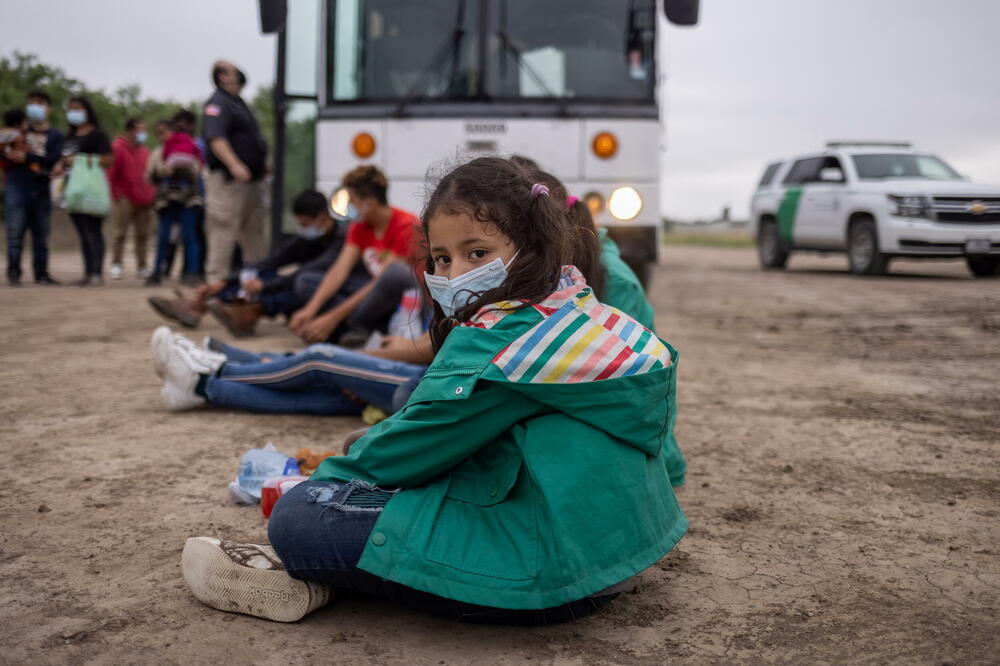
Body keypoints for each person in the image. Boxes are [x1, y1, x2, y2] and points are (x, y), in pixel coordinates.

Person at [180, 156, 686, 625]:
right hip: (616, 548)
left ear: (530, 246)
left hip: (556, 572)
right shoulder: (569, 301)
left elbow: (398, 454)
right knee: (383, 432)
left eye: (477, 253)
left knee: (300, 519)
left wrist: (321, 486)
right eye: (441, 258)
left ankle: (317, 576)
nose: (454, 274)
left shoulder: (500, 338)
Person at [147, 189, 370, 334]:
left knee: (297, 282)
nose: (303, 229)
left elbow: (312, 271)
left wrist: (265, 286)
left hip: (325, 294)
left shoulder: (343, 239)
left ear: (322, 218)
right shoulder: (307, 238)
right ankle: (207, 303)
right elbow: (271, 261)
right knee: (259, 275)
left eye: (305, 224)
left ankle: (247, 311)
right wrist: (225, 281)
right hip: (306, 287)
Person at [289, 166, 421, 345]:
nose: (348, 207)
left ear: (370, 204)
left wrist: (331, 318)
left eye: (352, 201)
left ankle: (351, 326)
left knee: (393, 274)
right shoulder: (359, 226)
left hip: (402, 299)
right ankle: (358, 329)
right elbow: (339, 270)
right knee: (307, 281)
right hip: (370, 295)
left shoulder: (406, 225)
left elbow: (382, 282)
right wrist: (310, 310)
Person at [202, 60, 268, 282]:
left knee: (254, 231)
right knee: (224, 231)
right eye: (234, 71)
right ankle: (215, 286)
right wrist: (234, 164)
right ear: (222, 77)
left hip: (251, 181)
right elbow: (216, 138)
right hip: (229, 181)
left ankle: (258, 282)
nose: (239, 73)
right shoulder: (218, 103)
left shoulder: (238, 103)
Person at [2, 90, 63, 286]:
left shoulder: (55, 135)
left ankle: (41, 273)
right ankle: (14, 272)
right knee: (15, 232)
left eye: (40, 103)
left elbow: (53, 160)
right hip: (16, 185)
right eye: (31, 103)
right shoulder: (15, 131)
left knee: (41, 235)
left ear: (48, 108)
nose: (35, 106)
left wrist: (27, 158)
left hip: (42, 188)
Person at [146, 110, 206, 286]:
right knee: (164, 237)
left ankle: (192, 273)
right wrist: (161, 171)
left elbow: (199, 169)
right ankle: (156, 272)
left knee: (189, 237)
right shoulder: (158, 152)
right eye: (158, 133)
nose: (162, 136)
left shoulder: (191, 147)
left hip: (189, 199)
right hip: (167, 200)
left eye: (165, 132)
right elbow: (151, 176)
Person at [61, 96, 113, 286]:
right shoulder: (69, 137)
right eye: (71, 108)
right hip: (72, 190)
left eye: (78, 108)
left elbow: (108, 160)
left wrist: (82, 159)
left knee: (94, 231)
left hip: (91, 191)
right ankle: (87, 272)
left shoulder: (98, 136)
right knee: (83, 233)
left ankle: (97, 273)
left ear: (87, 111)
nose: (74, 112)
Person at [108, 118, 156, 280]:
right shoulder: (117, 148)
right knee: (119, 233)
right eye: (140, 130)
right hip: (124, 198)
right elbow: (111, 174)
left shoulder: (145, 151)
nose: (143, 134)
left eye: (144, 130)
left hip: (144, 199)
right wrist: (116, 195)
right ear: (130, 131)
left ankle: (142, 266)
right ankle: (116, 264)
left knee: (142, 235)